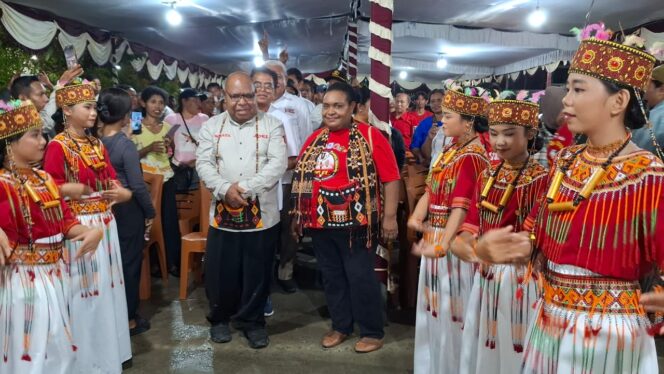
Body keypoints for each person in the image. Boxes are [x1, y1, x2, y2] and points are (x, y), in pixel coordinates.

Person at [475, 29, 663, 373]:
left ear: (618, 102)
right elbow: (537, 228)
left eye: (578, 89)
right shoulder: (566, 161)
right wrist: (503, 247)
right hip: (549, 317)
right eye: (568, 89)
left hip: (607, 330)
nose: (566, 100)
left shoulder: (648, 173)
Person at [290, 82, 400, 353]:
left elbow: (391, 178)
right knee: (331, 276)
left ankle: (372, 331)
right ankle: (341, 326)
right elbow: (302, 179)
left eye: (338, 106)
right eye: (326, 106)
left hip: (358, 224)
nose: (331, 112)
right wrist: (298, 216)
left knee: (360, 276)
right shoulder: (315, 138)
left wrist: (389, 217)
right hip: (319, 223)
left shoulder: (371, 136)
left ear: (353, 107)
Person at [0, 100, 103, 374]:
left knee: (59, 350)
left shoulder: (44, 179)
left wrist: (92, 230)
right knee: (33, 353)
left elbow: (66, 222)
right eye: (33, 135)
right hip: (24, 282)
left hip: (54, 276)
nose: (43, 141)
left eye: (41, 133)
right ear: (10, 144)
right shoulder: (3, 184)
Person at [451, 94, 549, 373]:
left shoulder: (543, 179)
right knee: (484, 344)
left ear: (530, 134)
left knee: (513, 347)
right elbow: (467, 229)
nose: (500, 142)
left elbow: (535, 239)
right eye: (494, 134)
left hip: (521, 279)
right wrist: (469, 247)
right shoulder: (486, 175)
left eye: (509, 134)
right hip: (485, 274)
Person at [43, 80, 133, 373]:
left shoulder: (95, 143)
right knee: (87, 291)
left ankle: (110, 353)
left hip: (105, 222)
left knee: (108, 288)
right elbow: (49, 189)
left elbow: (109, 176)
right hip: (80, 225)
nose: (94, 113)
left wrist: (118, 190)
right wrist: (74, 189)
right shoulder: (58, 146)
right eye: (87, 107)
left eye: (95, 107)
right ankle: (88, 360)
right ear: (67, 110)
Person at [196, 72, 286, 349]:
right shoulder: (211, 126)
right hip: (223, 214)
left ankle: (253, 322)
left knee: (257, 270)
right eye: (236, 96)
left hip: (263, 215)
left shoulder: (272, 125)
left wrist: (243, 189)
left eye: (248, 95)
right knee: (222, 271)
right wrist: (225, 189)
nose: (243, 102)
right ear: (224, 97)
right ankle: (220, 320)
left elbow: (278, 164)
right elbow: (203, 163)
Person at [408, 87, 490, 373]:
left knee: (451, 314)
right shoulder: (449, 150)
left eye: (449, 116)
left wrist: (443, 242)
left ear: (467, 122)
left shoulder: (472, 156)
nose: (442, 121)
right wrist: (418, 217)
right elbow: (431, 189)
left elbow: (462, 207)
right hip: (437, 236)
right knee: (434, 310)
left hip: (453, 242)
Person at [98, 88, 156, 336]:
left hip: (102, 208)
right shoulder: (125, 146)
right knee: (130, 266)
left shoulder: (94, 142)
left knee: (110, 265)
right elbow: (138, 186)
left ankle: (110, 316)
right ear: (124, 116)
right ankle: (129, 318)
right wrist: (151, 211)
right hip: (127, 209)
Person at [251, 67, 301, 295]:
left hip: (278, 185)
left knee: (279, 231)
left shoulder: (283, 119)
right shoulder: (242, 114)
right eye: (257, 85)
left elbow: (293, 158)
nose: (262, 90)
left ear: (275, 90)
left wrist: (268, 171)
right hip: (246, 188)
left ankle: (280, 274)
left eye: (267, 86)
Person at [132, 86, 181, 277]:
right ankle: (150, 263)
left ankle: (170, 263)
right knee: (148, 222)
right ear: (143, 103)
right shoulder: (135, 123)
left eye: (161, 103)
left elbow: (172, 152)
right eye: (153, 102)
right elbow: (130, 155)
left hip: (166, 178)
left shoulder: (168, 127)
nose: (158, 106)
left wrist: (169, 147)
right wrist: (149, 148)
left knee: (168, 221)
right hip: (144, 180)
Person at [10, 65, 83, 138]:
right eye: (40, 94)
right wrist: (60, 84)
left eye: (45, 93)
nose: (46, 99)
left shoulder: (43, 113)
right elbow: (46, 122)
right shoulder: (16, 122)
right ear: (23, 98)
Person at [164, 88, 209, 193]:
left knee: (197, 202)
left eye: (200, 100)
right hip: (178, 168)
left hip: (199, 168)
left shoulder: (204, 119)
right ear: (184, 101)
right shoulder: (173, 119)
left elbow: (208, 143)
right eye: (195, 100)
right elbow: (167, 141)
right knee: (179, 202)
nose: (199, 103)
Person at [265, 60, 311, 149]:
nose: (273, 81)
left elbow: (307, 139)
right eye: (269, 76)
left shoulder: (298, 104)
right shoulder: (255, 105)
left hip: (292, 161)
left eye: (278, 77)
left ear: (285, 79)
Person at [633, 64, 664, 158]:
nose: (644, 91)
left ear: (662, 90)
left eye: (647, 85)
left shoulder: (657, 118)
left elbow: (635, 155)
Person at [411, 89, 448, 165]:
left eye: (439, 100)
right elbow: (415, 146)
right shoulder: (424, 123)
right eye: (433, 101)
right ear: (429, 103)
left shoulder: (453, 123)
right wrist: (421, 159)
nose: (436, 104)